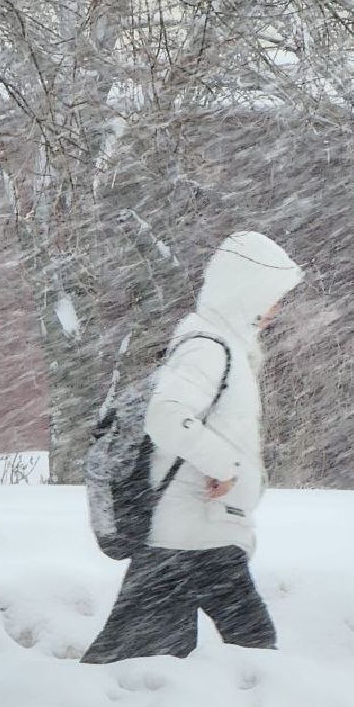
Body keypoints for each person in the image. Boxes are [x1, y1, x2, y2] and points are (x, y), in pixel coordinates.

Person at [81, 230, 303, 663]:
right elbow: (166, 416)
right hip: (191, 533)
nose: (276, 309)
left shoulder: (227, 349)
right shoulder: (207, 349)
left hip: (195, 535)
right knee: (254, 652)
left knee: (145, 660)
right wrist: (224, 466)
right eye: (271, 296)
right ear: (245, 292)